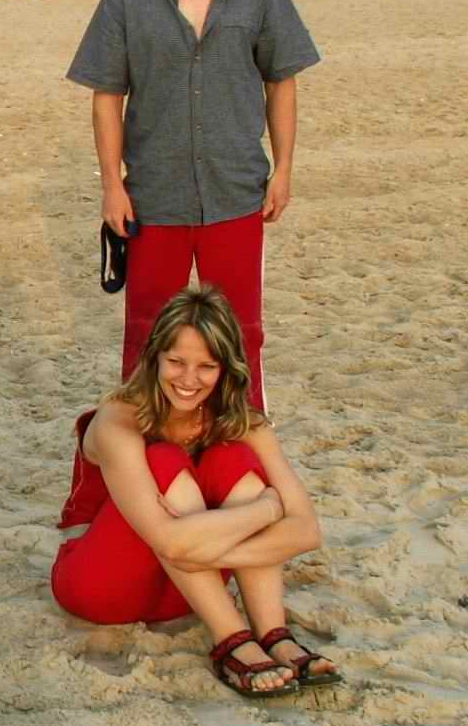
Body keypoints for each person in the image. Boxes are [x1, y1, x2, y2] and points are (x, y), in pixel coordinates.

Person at [66, 0, 319, 411]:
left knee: (241, 331)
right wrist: (112, 186)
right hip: (155, 196)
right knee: (147, 331)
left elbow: (282, 81)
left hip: (236, 190)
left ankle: (242, 437)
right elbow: (107, 96)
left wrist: (283, 170)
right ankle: (143, 442)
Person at [51, 285, 342, 699]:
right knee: (163, 458)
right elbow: (169, 542)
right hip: (102, 589)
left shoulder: (241, 422)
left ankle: (273, 634)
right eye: (176, 362)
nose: (189, 380)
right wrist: (265, 511)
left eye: (206, 366)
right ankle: (232, 641)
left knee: (234, 458)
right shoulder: (120, 419)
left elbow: (307, 532)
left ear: (226, 368)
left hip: (186, 590)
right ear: (155, 356)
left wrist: (207, 551)